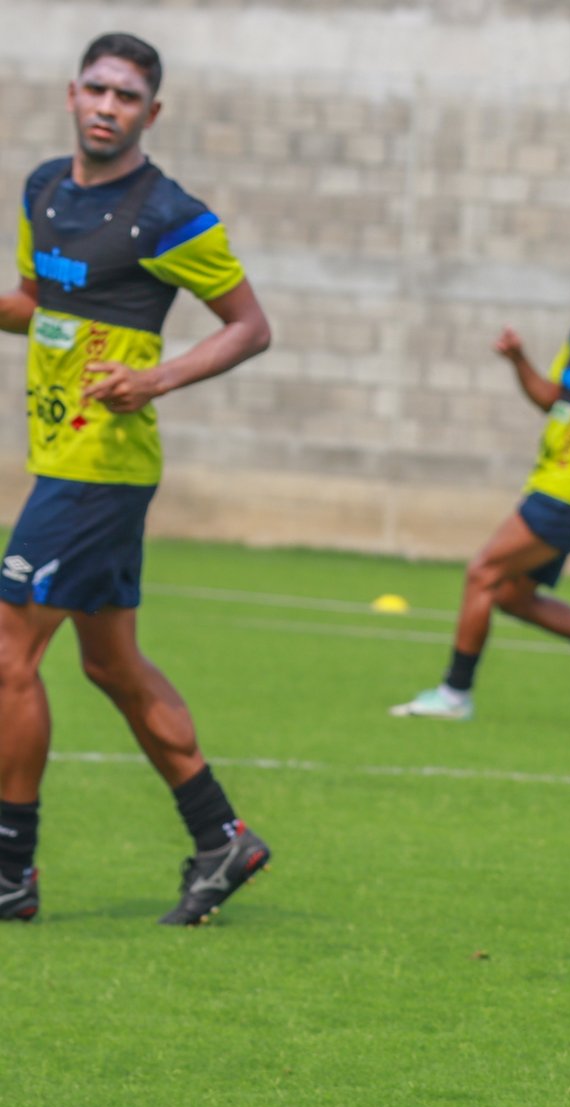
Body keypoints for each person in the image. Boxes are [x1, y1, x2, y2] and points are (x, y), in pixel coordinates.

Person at [0, 33, 273, 926]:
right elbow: (40, 305)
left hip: (101, 469)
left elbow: (248, 326)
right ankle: (219, 836)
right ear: (72, 92)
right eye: (97, 88)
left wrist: (153, 379)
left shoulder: (167, 214)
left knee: (7, 653)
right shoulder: (43, 188)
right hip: (61, 455)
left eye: (127, 96)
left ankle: (9, 870)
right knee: (112, 666)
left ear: (151, 113)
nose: (107, 106)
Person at [390, 242, 570, 721]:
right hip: (553, 484)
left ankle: (454, 695)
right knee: (511, 595)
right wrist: (520, 360)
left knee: (482, 572)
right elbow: (553, 398)